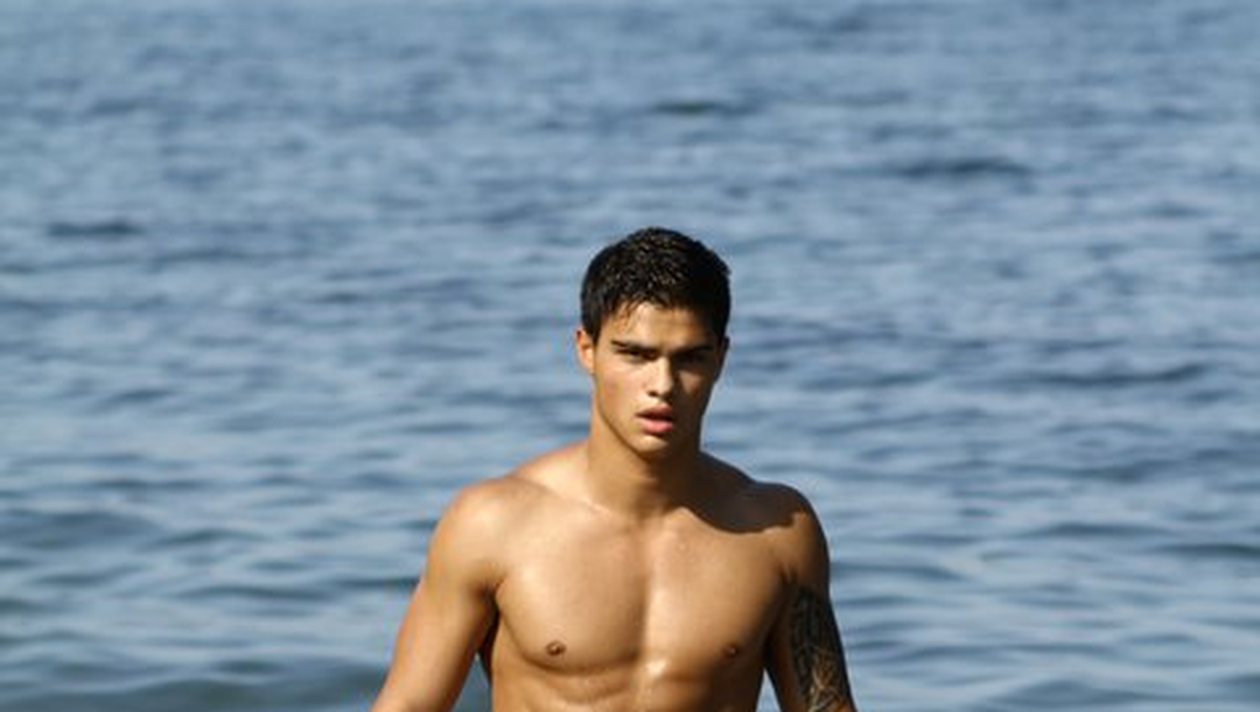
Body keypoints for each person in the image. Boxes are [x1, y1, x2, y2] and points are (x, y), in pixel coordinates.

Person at [371, 227, 858, 712]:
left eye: (690, 358)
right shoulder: (493, 524)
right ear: (587, 349)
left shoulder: (779, 533)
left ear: (721, 359)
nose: (662, 384)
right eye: (636, 355)